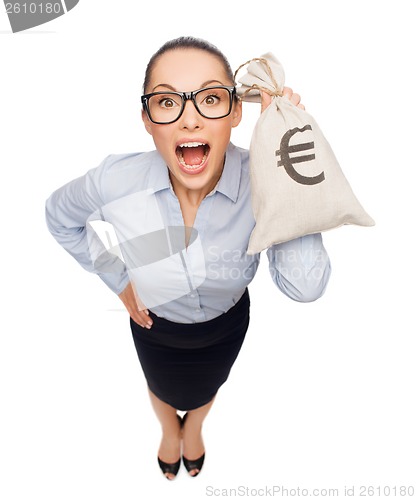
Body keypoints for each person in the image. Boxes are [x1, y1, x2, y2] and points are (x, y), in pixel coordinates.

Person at [45, 36, 331, 480]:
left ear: (236, 111)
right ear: (146, 118)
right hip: (152, 324)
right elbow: (60, 218)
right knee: (159, 385)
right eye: (166, 102)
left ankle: (194, 425)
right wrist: (118, 280)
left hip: (226, 324)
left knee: (207, 386)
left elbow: (306, 285)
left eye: (211, 98)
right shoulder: (113, 182)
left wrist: (282, 151)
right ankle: (168, 429)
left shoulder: (265, 176)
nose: (190, 120)